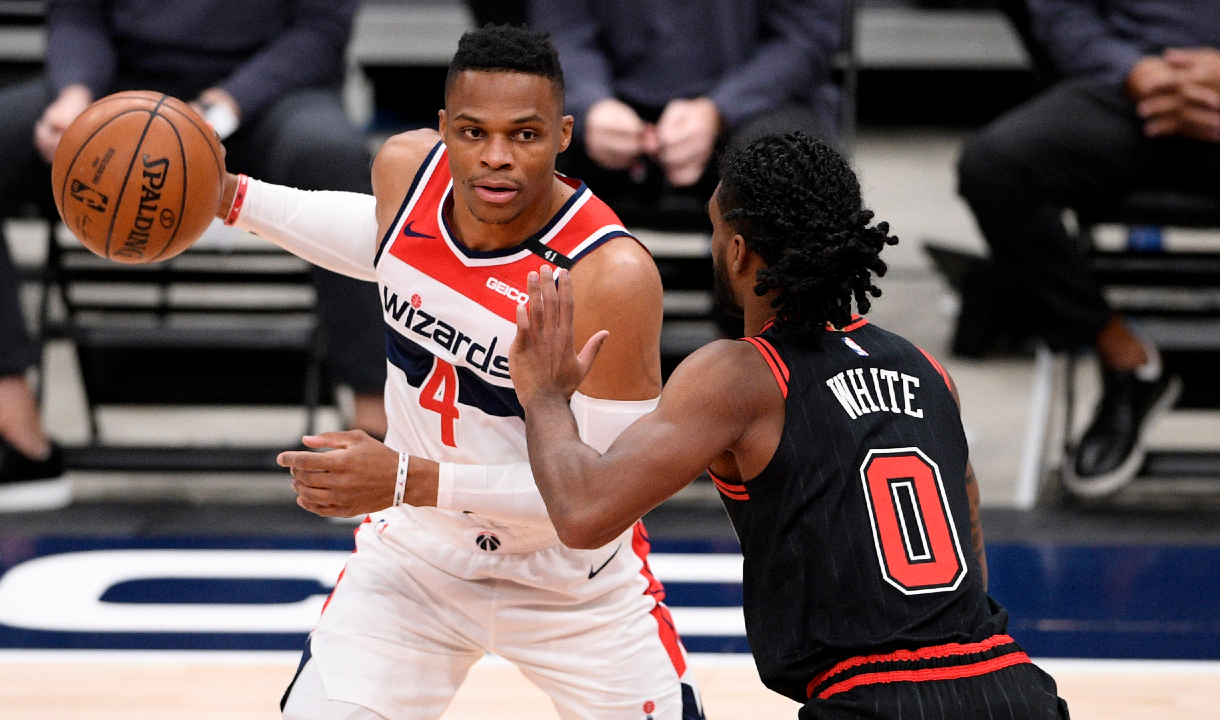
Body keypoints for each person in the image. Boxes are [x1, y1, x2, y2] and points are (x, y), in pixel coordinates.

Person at [215, 25, 703, 720]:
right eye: (473, 133)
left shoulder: (610, 276)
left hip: (572, 583)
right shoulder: (406, 174)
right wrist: (229, 196)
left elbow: (601, 499)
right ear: (444, 128)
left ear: (563, 136)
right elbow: (379, 240)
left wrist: (405, 480)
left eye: (524, 135)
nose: (496, 157)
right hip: (417, 560)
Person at [508, 133, 1069, 719]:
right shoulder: (928, 369)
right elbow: (968, 523)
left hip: (872, 700)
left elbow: (582, 512)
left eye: (715, 229)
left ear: (738, 251)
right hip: (1012, 689)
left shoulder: (740, 375)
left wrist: (544, 396)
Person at [0, 0, 388, 518]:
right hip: (122, 92)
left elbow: (321, 29)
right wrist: (75, 93)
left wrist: (224, 105)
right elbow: (78, 13)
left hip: (272, 98)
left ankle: (373, 443)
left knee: (332, 155)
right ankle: (19, 444)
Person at [957, 0, 1220, 498]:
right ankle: (1123, 358)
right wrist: (1134, 71)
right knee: (993, 168)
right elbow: (1061, 11)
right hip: (1127, 87)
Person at [530, 0, 843, 229]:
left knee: (786, 167)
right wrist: (590, 104)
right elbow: (561, 31)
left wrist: (720, 110)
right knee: (524, 151)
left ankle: (761, 303)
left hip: (754, 98)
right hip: (607, 99)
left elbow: (807, 35)